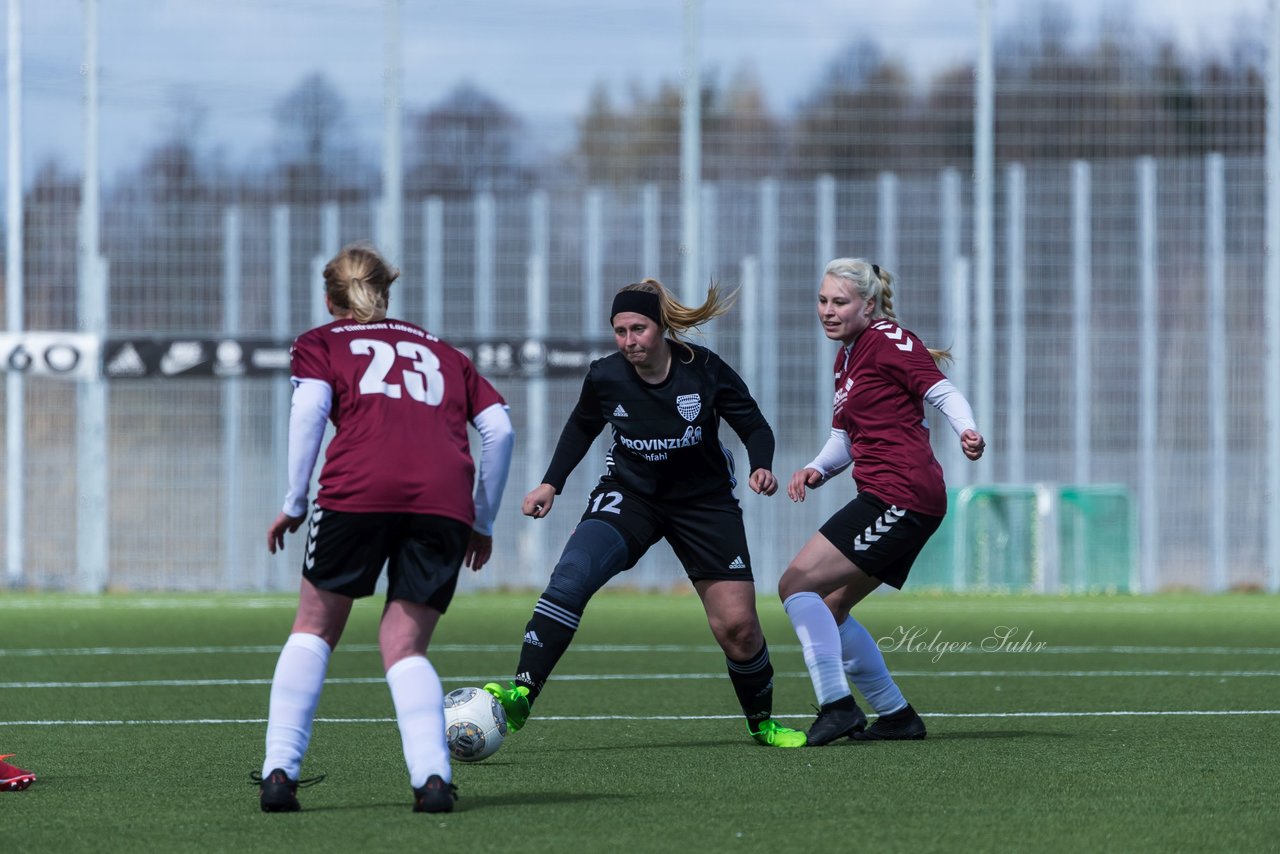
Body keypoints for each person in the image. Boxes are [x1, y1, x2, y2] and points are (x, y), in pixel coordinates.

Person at [484, 278, 807, 749]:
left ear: (662, 328)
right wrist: (551, 482)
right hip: (629, 496)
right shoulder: (605, 375)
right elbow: (581, 427)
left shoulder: (704, 370)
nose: (629, 341)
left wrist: (762, 466)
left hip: (704, 503)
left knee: (737, 628)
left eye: (638, 329)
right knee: (571, 576)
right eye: (620, 331)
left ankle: (762, 722)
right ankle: (521, 694)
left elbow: (755, 425)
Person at [255, 243, 514, 813]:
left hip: (359, 488)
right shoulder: (443, 351)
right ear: (387, 293)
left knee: (315, 628)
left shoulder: (320, 341)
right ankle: (432, 781)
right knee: (405, 646)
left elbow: (308, 412)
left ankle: (279, 774)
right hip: (444, 499)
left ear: (330, 299)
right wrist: (483, 518)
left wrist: (295, 501)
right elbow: (498, 428)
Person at [779, 258, 985, 746]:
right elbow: (844, 439)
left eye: (840, 302)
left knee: (795, 585)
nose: (828, 311)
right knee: (830, 606)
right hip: (895, 495)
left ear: (867, 305)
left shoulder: (888, 340)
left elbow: (943, 392)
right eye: (823, 300)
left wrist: (968, 430)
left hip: (902, 495)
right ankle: (896, 716)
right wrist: (817, 468)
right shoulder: (847, 356)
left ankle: (836, 706)